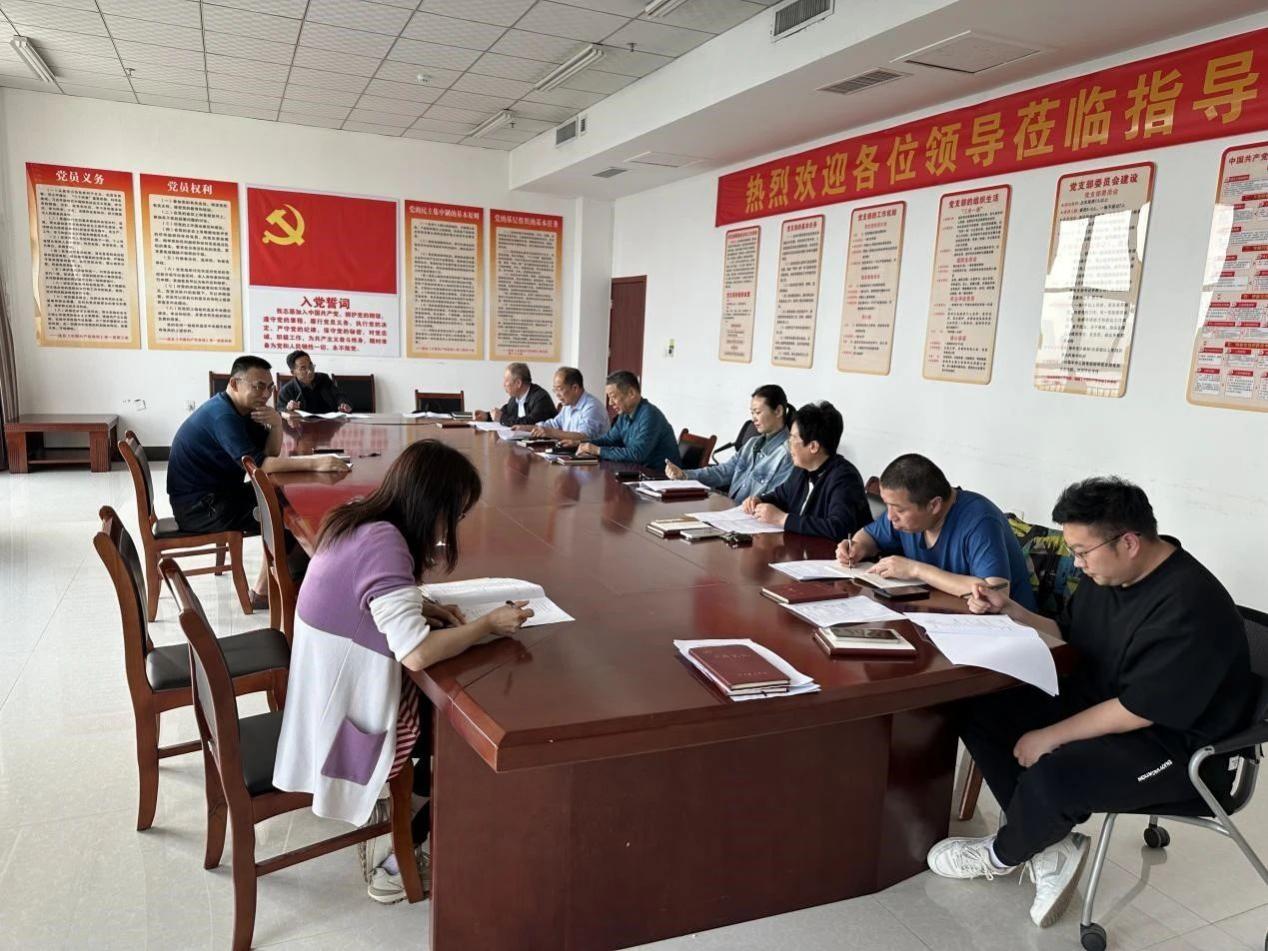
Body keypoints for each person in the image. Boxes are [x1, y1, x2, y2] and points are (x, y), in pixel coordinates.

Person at [926, 477, 1255, 929]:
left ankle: (1005, 853)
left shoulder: (1189, 606)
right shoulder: (1112, 575)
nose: (1078, 564)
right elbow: (1071, 633)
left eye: (1082, 552)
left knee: (1054, 774)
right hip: (1107, 704)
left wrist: (1049, 736)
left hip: (1178, 747)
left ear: (1129, 542)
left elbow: (1140, 709)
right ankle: (1051, 844)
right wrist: (1012, 611)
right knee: (981, 710)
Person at [272, 440, 534, 904]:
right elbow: (415, 653)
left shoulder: (357, 517)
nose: (451, 527)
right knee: (459, 731)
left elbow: (368, 599)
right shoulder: (386, 544)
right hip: (344, 723)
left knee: (452, 708)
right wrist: (487, 626)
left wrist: (422, 606)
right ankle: (401, 861)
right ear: (434, 505)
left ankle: (413, 807)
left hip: (321, 699)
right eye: (456, 513)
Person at [168, 355, 344, 607]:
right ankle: (264, 591)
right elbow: (261, 465)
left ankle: (293, 568)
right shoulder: (223, 416)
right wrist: (317, 463)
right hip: (200, 508)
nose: (265, 394)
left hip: (217, 495)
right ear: (234, 383)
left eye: (269, 387)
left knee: (286, 494)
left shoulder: (241, 410)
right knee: (284, 510)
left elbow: (268, 454)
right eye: (258, 386)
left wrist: (276, 425)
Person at [836, 453, 1036, 609]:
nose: (889, 516)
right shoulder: (905, 518)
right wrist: (856, 547)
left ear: (934, 505)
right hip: (941, 617)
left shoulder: (980, 520)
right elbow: (869, 536)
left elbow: (995, 593)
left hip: (1008, 628)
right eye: (887, 505)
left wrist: (916, 570)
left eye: (899, 509)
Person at [741, 400, 870, 539]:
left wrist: (782, 519)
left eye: (792, 438)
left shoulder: (845, 478)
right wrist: (759, 500)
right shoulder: (802, 469)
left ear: (813, 447)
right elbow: (781, 496)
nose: (788, 443)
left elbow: (839, 528)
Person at [664, 384, 794, 502]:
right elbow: (723, 472)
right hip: (730, 511)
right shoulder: (751, 444)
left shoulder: (788, 454)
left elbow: (776, 499)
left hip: (752, 517)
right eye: (752, 413)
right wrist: (684, 475)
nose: (753, 418)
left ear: (778, 411)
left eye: (758, 412)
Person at [576, 370, 680, 469]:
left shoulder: (650, 415)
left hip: (660, 476)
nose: (610, 403)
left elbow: (637, 454)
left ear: (631, 393)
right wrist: (580, 443)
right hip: (637, 472)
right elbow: (608, 440)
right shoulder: (625, 415)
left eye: (613, 397)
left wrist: (597, 450)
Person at [515, 367, 609, 441]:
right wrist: (525, 428)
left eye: (559, 389)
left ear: (575, 388)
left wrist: (550, 432)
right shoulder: (568, 405)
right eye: (555, 390)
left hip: (593, 458)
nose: (557, 394)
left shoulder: (592, 407)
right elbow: (553, 425)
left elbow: (583, 437)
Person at [473, 363, 554, 425]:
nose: (503, 384)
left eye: (506, 381)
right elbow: (504, 412)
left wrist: (502, 419)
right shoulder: (515, 398)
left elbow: (530, 423)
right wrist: (487, 416)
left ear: (518, 383)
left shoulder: (541, 398)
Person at [278, 350, 351, 414]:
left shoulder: (323, 378)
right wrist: (288, 410)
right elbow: (280, 411)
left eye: (310, 365)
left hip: (330, 421)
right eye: (303, 368)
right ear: (293, 372)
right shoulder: (286, 391)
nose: (310, 371)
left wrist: (343, 404)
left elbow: (338, 395)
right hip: (304, 424)